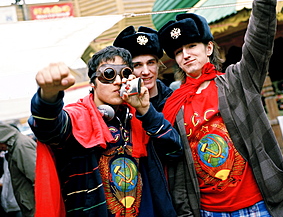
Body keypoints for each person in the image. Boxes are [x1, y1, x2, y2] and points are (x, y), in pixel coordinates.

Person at [158, 0, 283, 217]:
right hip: (209, 211)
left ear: (209, 48)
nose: (185, 54)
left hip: (257, 205)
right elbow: (178, 169)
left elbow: (259, 38)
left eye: (191, 45)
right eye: (177, 51)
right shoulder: (173, 105)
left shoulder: (236, 81)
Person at [28, 45, 182, 216]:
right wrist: (48, 96)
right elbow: (48, 127)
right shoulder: (78, 117)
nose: (117, 81)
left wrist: (146, 111)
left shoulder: (137, 118)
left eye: (124, 74)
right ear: (93, 82)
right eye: (108, 74)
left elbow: (174, 151)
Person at [113, 26, 173, 111]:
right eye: (137, 65)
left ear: (158, 65)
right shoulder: (119, 106)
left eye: (150, 63)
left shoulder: (175, 99)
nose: (146, 72)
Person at [0, 124, 36, 217]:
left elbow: (36, 177)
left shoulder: (21, 146)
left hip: (33, 205)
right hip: (29, 204)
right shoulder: (16, 145)